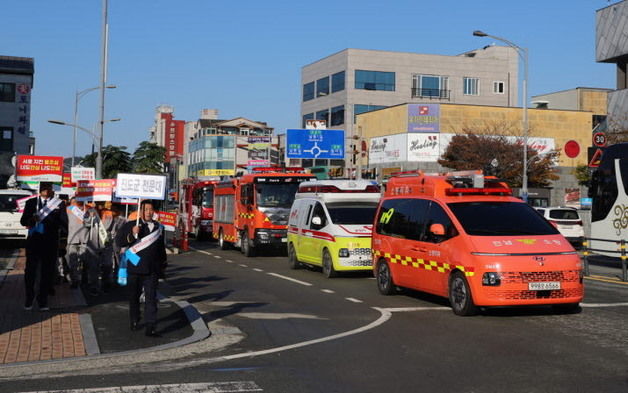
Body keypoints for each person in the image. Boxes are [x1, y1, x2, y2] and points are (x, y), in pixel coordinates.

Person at [115, 200, 167, 337]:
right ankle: (134, 319)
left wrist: (163, 265)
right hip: (135, 267)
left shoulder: (159, 227)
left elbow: (161, 249)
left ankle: (151, 326)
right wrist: (132, 234)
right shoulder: (131, 225)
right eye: (146, 209)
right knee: (134, 297)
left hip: (151, 269)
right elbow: (119, 242)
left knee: (151, 298)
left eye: (151, 209)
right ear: (140, 211)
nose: (149, 212)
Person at [20, 182, 68, 311]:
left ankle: (42, 300)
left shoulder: (58, 204)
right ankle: (29, 297)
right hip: (34, 242)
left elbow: (64, 225)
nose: (45, 190)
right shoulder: (31, 202)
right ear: (39, 189)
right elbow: (23, 221)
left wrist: (63, 241)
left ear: (52, 189)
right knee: (30, 272)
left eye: (48, 187)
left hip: (50, 243)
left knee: (47, 273)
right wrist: (31, 219)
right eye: (43, 187)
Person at [99, 202, 126, 291]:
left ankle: (117, 281)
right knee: (107, 263)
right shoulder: (107, 217)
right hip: (107, 243)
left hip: (118, 244)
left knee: (119, 262)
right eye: (111, 209)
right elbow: (103, 228)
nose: (112, 210)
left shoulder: (123, 220)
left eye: (114, 209)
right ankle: (106, 282)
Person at [65, 197, 88, 289]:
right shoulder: (68, 209)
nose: (74, 203)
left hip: (85, 239)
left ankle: (84, 279)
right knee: (72, 261)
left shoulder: (89, 209)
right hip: (72, 239)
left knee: (85, 261)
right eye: (73, 202)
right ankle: (75, 280)